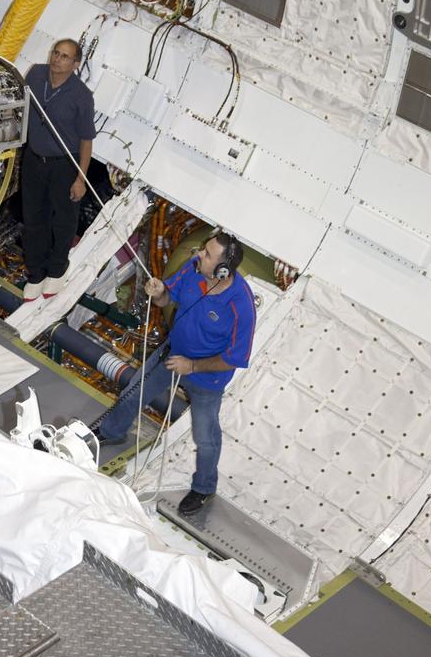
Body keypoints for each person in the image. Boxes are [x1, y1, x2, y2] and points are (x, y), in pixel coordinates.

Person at [94, 229, 256, 517]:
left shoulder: (240, 305)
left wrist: (192, 367)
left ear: (222, 269)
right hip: (173, 354)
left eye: (206, 254)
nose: (198, 255)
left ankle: (204, 488)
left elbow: (235, 359)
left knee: (205, 434)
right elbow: (167, 299)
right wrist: (159, 293)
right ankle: (111, 432)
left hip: (208, 377)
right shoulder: (193, 270)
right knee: (135, 391)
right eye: (202, 249)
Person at [21, 39, 95, 301]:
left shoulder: (82, 96)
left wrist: (80, 179)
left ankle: (56, 270)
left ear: (75, 65)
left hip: (64, 164)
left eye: (65, 57)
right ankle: (36, 272)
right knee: (32, 218)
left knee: (62, 221)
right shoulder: (35, 74)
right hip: (33, 159)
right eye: (56, 53)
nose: (57, 59)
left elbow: (87, 140)